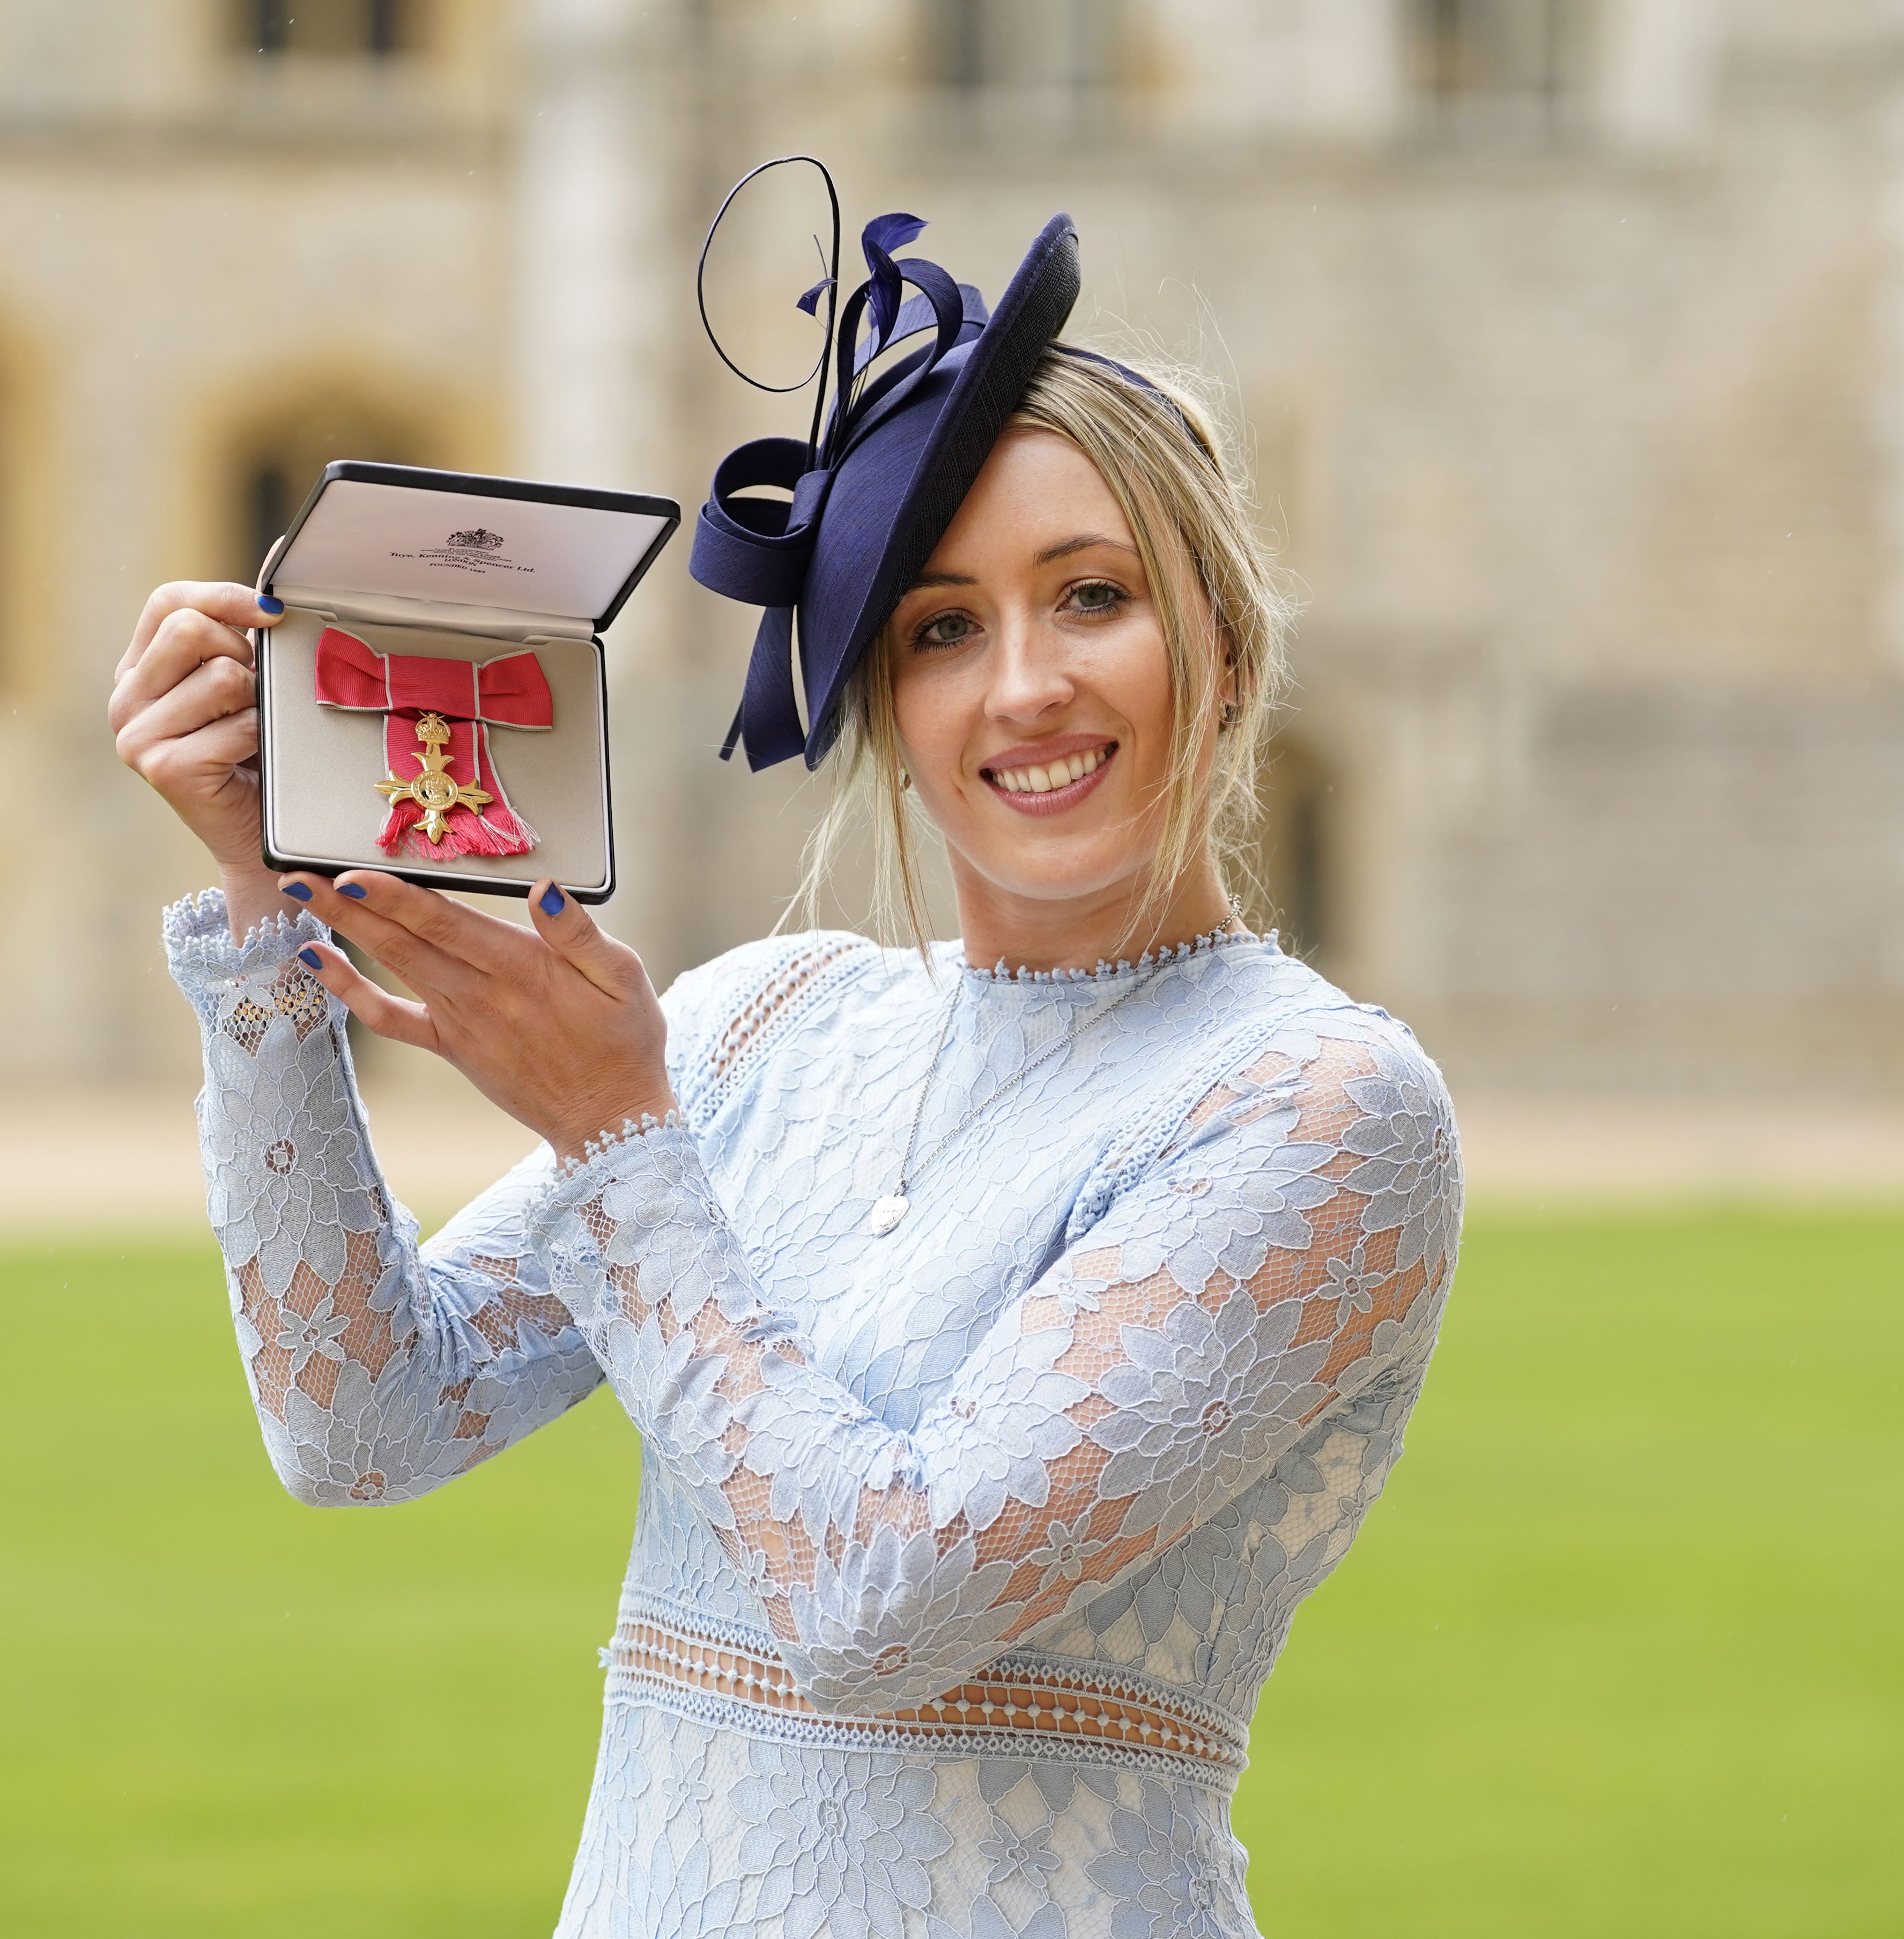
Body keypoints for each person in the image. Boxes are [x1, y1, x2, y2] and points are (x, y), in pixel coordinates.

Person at [108, 199, 1460, 1938]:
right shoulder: (772, 1020)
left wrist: (613, 1136)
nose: (1025, 685)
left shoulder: (1317, 1106)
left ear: (1229, 638)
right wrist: (259, 910)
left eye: (1093, 597)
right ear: (881, 703)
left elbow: (877, 1603)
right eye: (942, 628)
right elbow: (360, 1420)